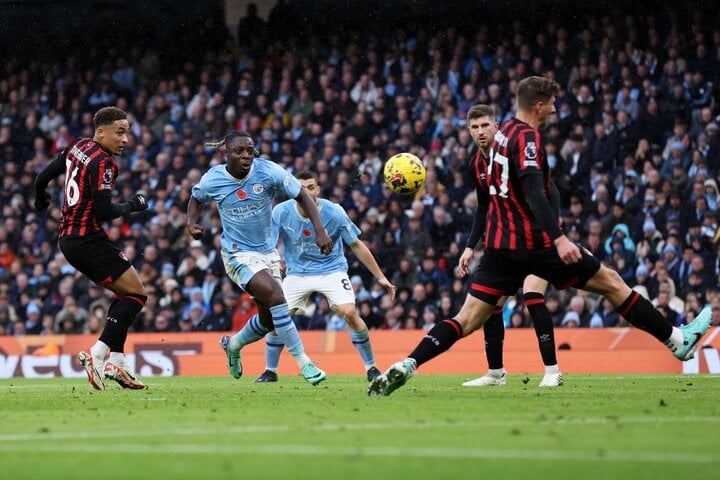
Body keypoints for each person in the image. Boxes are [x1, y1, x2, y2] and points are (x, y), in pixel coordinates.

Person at [368, 76, 712, 397]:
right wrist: (558, 237)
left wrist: (474, 246)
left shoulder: (497, 142)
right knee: (611, 283)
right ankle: (676, 340)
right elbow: (535, 192)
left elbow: (518, 196)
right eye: (552, 104)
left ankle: (408, 364)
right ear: (538, 105)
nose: (555, 110)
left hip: (499, 250)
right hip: (534, 244)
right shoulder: (526, 138)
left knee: (465, 319)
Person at [187, 131, 332, 385]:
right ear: (226, 154)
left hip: (268, 253)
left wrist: (320, 230)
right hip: (237, 253)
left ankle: (232, 345)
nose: (246, 155)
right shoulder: (214, 179)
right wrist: (191, 223)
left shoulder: (268, 171)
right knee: (278, 297)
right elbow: (196, 198)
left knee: (269, 319)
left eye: (249, 150)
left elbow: (302, 195)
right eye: (239, 151)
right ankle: (304, 364)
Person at [33, 106, 149, 391]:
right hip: (87, 240)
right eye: (119, 133)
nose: (125, 139)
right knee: (138, 294)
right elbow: (105, 210)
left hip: (69, 239)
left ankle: (118, 363)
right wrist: (133, 205)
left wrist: (40, 197)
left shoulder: (77, 146)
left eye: (127, 133)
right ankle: (97, 354)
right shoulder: (104, 162)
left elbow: (41, 178)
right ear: (101, 131)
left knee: (124, 293)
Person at [256, 170, 396, 383]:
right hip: (297, 274)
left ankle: (372, 367)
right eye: (301, 188)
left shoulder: (334, 212)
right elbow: (269, 246)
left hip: (332, 270)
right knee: (279, 318)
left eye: (311, 187)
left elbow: (356, 245)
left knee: (349, 312)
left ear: (318, 190)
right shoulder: (281, 212)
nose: (306, 192)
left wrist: (380, 277)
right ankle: (270, 370)